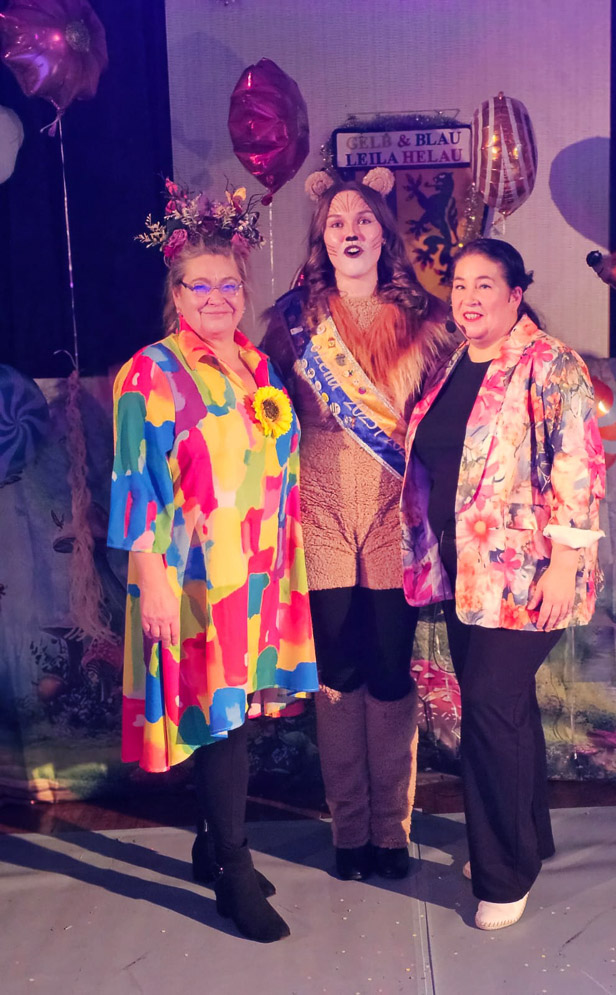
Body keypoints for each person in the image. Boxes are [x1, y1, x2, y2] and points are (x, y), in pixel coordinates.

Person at [107, 181, 317, 943]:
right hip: (193, 576)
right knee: (220, 724)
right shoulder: (151, 372)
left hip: (257, 574)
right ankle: (234, 867)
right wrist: (152, 579)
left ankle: (208, 842)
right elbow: (135, 482)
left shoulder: (258, 365)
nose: (217, 297)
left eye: (228, 283)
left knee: (238, 716)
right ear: (176, 294)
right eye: (200, 285)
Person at [400, 238, 606, 930]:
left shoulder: (551, 363)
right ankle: (529, 838)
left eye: (485, 284)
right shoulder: (454, 363)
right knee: (505, 707)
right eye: (460, 284)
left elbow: (579, 466)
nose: (469, 298)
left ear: (516, 294)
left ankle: (505, 872)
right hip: (469, 573)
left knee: (490, 707)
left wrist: (566, 564)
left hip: (531, 574)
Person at [261, 167, 453, 881]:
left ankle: (390, 831)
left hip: (393, 515)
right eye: (337, 221)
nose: (350, 231)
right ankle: (348, 830)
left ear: (383, 234)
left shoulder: (428, 320)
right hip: (319, 512)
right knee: (339, 670)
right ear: (321, 237)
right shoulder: (291, 323)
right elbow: (261, 412)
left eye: (364, 219)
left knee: (389, 670)